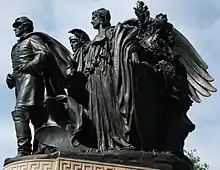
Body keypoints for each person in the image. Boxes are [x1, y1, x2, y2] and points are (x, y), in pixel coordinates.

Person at [6, 16, 77, 157]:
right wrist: (12, 78)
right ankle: (40, 148)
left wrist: (29, 66)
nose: (15, 28)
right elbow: (18, 68)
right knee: (37, 117)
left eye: (18, 25)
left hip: (32, 82)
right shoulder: (16, 46)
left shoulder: (33, 39)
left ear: (25, 27)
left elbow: (43, 54)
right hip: (21, 84)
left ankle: (23, 150)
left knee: (21, 113)